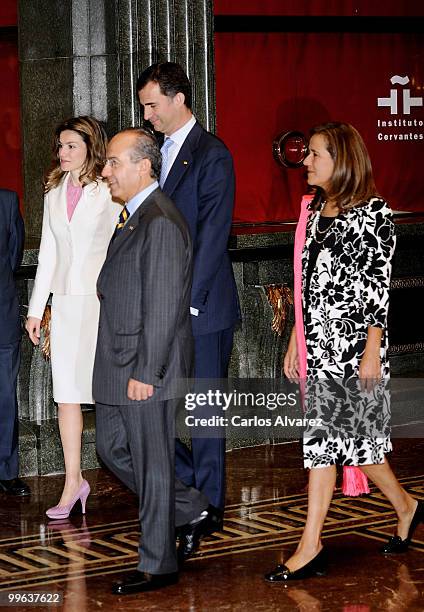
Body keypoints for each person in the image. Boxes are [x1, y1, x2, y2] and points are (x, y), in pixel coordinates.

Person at [265, 122, 423, 582]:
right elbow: (307, 281)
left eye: (315, 154)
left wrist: (372, 352)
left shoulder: (374, 213)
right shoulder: (315, 209)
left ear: (342, 159)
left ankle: (312, 543)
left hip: (356, 347)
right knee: (340, 444)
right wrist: (298, 336)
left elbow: (377, 289)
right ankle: (406, 506)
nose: (306, 162)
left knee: (344, 445)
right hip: (319, 340)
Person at [94, 127, 220, 595]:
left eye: (113, 162)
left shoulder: (161, 220)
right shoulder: (135, 216)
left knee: (150, 463)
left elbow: (166, 305)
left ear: (144, 166)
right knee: (111, 449)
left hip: (144, 366)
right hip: (117, 360)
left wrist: (148, 372)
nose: (106, 171)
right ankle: (190, 509)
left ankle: (159, 563)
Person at [137, 62, 240, 523]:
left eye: (152, 105)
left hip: (202, 308)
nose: (147, 116)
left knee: (205, 416)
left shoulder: (211, 153)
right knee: (154, 410)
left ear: (179, 99)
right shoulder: (157, 153)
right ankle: (192, 493)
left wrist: (187, 302)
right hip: (166, 306)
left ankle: (210, 505)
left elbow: (213, 237)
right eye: (144, 107)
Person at [26, 116, 120, 518]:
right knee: (65, 395)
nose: (62, 153)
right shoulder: (53, 192)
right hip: (64, 304)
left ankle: (141, 474)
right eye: (60, 146)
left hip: (102, 303)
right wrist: (35, 310)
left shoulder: (109, 190)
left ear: (89, 147)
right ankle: (72, 482)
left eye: (70, 146)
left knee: (108, 395)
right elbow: (48, 254)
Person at [0, 189, 30, 497]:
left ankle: (6, 470)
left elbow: (13, 256)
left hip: (2, 315)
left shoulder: (7, 201)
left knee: (5, 397)